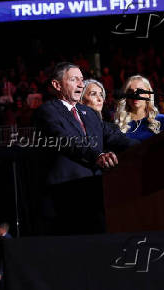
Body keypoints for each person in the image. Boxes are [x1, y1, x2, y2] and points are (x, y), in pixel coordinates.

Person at [32, 62, 139, 235]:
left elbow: (113, 136)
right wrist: (97, 154)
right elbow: (67, 140)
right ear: (57, 85)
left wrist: (145, 146)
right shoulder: (47, 112)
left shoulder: (88, 113)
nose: (81, 84)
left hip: (94, 192)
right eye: (74, 79)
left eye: (82, 80)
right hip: (65, 196)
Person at [114, 75, 164, 141]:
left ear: (148, 94)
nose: (135, 94)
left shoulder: (162, 120)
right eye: (130, 91)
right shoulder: (119, 122)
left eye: (140, 90)